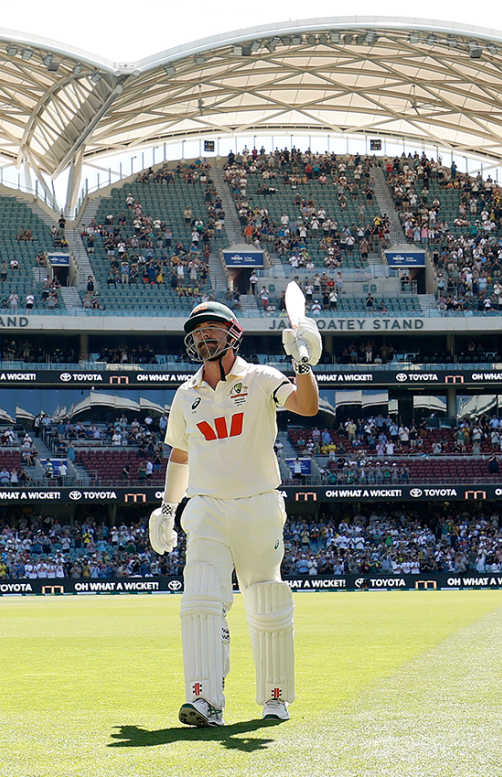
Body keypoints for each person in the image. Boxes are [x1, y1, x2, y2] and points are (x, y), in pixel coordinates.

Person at [151, 301, 320, 728]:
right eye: (198, 331)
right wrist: (168, 509)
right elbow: (180, 456)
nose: (204, 336)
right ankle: (205, 700)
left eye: (213, 329)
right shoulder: (185, 394)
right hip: (206, 508)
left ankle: (274, 699)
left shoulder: (261, 378)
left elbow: (306, 406)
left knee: (267, 599)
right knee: (201, 596)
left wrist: (303, 362)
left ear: (233, 334)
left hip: (258, 504)